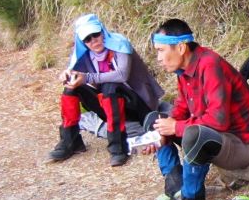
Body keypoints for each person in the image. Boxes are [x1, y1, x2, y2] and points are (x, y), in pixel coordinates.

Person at [147, 18, 249, 200]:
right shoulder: (184, 71)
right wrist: (161, 132)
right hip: (214, 137)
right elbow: (180, 108)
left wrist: (176, 128)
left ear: (180, 48)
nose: (159, 58)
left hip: (239, 145)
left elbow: (218, 120)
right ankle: (176, 186)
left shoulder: (209, 65)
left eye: (161, 51)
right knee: (154, 121)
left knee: (192, 134)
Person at [49, 13, 164, 167]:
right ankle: (70, 141)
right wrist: (68, 76)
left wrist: (87, 77)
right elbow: (76, 74)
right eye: (87, 39)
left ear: (102, 31)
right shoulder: (83, 54)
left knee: (110, 85)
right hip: (111, 105)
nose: (93, 41)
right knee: (71, 88)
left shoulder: (120, 44)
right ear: (82, 41)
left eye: (95, 34)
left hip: (139, 104)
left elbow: (122, 75)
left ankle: (118, 146)